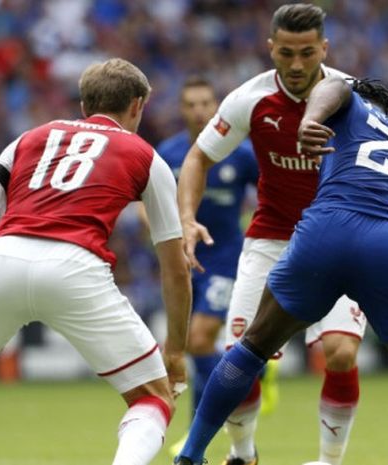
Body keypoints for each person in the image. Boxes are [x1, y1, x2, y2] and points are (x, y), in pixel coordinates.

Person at [175, 72, 388, 465]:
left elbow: (336, 88)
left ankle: (191, 454)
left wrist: (311, 119)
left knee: (250, 350)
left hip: (325, 233)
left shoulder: (350, 108)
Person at [176, 5, 367, 465]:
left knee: (340, 354)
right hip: (271, 240)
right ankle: (244, 454)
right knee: (239, 361)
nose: (297, 64)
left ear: (324, 48)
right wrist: (185, 218)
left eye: (307, 52)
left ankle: (328, 462)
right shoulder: (250, 99)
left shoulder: (354, 98)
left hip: (339, 240)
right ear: (271, 50)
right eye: (286, 53)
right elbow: (198, 158)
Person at [0, 58, 192, 465]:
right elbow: (175, 265)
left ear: (84, 105)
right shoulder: (146, 156)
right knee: (152, 397)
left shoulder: (31, 136)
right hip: (74, 267)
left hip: (3, 256)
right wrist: (174, 351)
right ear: (137, 106)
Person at [156, 76, 261, 456]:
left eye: (206, 102)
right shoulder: (166, 154)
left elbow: (269, 193)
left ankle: (202, 429)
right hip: (179, 259)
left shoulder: (241, 153)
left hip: (223, 257)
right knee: (185, 349)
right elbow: (146, 203)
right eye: (191, 104)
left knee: (200, 340)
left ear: (216, 107)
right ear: (182, 110)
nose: (199, 110)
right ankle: (250, 376)